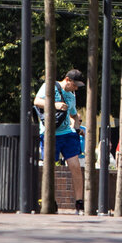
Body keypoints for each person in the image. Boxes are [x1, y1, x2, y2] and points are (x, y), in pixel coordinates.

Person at [33, 69, 86, 214]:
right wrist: (55, 105)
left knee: (75, 166)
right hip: (50, 134)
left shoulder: (71, 95)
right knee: (50, 169)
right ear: (67, 79)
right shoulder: (49, 86)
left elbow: (74, 114)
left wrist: (76, 128)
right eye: (74, 85)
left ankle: (79, 203)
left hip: (67, 134)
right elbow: (37, 101)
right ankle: (51, 201)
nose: (76, 88)